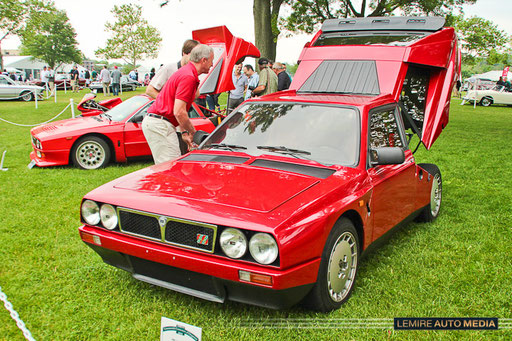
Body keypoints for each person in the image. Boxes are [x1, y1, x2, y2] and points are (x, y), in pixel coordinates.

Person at [142, 44, 214, 164]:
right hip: (161, 124)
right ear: (204, 60)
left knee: (168, 166)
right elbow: (179, 112)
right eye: (212, 61)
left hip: (160, 123)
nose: (212, 64)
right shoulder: (188, 77)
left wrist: (184, 132)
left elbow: (180, 111)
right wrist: (193, 132)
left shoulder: (186, 72)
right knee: (170, 168)